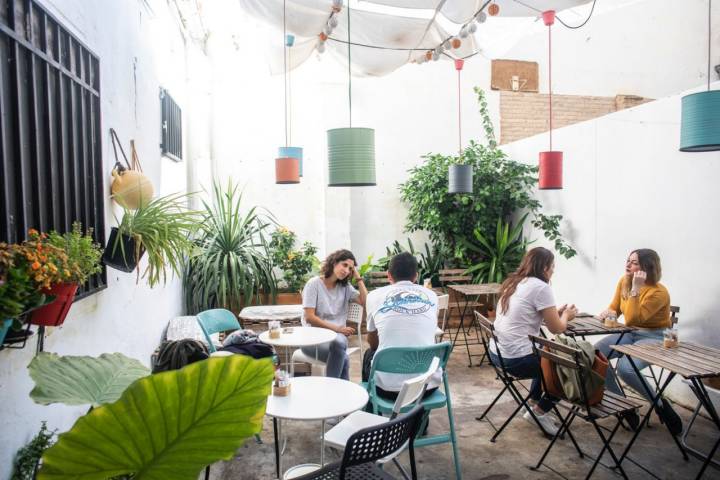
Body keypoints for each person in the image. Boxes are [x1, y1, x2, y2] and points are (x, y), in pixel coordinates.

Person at [489, 246, 577, 435]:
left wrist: (555, 313)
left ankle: (533, 403)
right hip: (517, 360)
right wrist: (567, 316)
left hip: (498, 354)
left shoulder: (514, 282)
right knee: (569, 368)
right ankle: (540, 410)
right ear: (545, 268)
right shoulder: (541, 287)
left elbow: (529, 315)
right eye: (553, 267)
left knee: (546, 352)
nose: (553, 271)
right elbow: (557, 329)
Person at [595, 249, 682, 435]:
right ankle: (623, 406)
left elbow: (635, 318)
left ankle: (660, 405)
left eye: (634, 262)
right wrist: (608, 313)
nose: (628, 265)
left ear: (647, 268)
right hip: (630, 333)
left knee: (626, 369)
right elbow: (615, 308)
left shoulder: (659, 292)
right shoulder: (623, 281)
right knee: (595, 356)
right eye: (627, 260)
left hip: (655, 337)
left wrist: (635, 289)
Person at [363, 252, 441, 400]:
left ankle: (374, 411)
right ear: (416, 276)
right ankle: (419, 418)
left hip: (386, 388)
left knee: (369, 354)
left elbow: (373, 343)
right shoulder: (432, 296)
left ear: (389, 275)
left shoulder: (373, 296)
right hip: (427, 386)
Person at [301, 249, 367, 380]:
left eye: (350, 269)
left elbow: (365, 302)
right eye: (344, 265)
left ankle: (333, 392)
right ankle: (336, 392)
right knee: (344, 357)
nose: (347, 271)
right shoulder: (314, 284)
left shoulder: (345, 287)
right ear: (334, 262)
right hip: (313, 340)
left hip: (337, 340)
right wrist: (338, 329)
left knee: (339, 345)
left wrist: (358, 278)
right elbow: (310, 317)